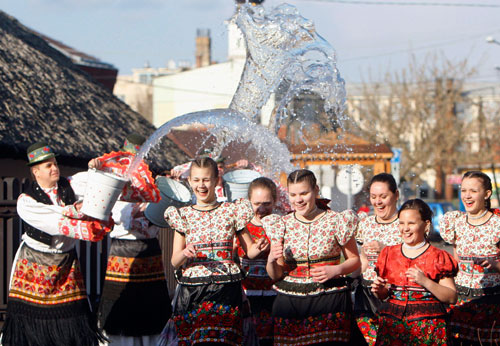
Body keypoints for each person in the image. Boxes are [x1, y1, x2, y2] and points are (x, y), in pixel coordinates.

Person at [0, 142, 113, 346]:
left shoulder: (70, 185)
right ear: (36, 172)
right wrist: (73, 212)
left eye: (54, 163)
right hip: (35, 262)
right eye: (48, 166)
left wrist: (96, 169)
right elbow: (54, 223)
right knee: (32, 323)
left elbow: (95, 183)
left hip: (66, 262)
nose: (54, 168)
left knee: (72, 321)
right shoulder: (26, 202)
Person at [161, 157, 269, 345]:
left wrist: (258, 248)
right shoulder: (183, 215)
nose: (201, 185)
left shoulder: (232, 211)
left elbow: (249, 251)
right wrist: (185, 253)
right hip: (194, 289)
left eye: (206, 179)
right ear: (189, 181)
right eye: (196, 180)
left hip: (226, 287)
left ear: (216, 180)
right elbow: (174, 261)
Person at [85, 133, 172, 346]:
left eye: (140, 157)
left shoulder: (153, 182)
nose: (135, 162)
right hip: (122, 250)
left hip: (148, 250)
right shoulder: (111, 179)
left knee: (151, 309)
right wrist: (94, 169)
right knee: (121, 306)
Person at [264, 169, 362, 345]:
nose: (298, 200)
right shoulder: (281, 224)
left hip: (329, 299)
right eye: (293, 194)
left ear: (316, 190)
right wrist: (271, 259)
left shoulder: (336, 220)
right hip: (290, 303)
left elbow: (355, 260)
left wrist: (337, 269)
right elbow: (276, 275)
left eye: (304, 193)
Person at [371, 199, 458, 346]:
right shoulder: (388, 254)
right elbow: (383, 295)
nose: (405, 228)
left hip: (428, 331)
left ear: (426, 225)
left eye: (411, 223)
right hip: (393, 330)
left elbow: (451, 297)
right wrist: (380, 290)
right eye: (401, 223)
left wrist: (425, 281)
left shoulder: (438, 256)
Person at [439, 171, 500, 345]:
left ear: (487, 194)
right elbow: (456, 262)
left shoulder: (497, 224)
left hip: (491, 300)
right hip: (461, 301)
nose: (467, 195)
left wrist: (495, 264)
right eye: (463, 190)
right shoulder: (456, 222)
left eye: (473, 191)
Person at [354, 173, 402, 346]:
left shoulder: (405, 224)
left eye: (383, 196)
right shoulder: (364, 224)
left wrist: (386, 251)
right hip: (366, 295)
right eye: (374, 197)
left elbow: (416, 259)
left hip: (395, 294)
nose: (378, 202)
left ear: (396, 195)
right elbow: (361, 261)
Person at [235, 177, 278, 345]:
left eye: (266, 203)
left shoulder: (281, 224)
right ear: (249, 202)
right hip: (247, 294)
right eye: (257, 203)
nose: (261, 209)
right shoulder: (241, 226)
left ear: (275, 201)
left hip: (273, 293)